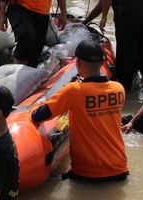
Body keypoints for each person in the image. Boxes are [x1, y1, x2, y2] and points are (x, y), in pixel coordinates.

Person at [31, 39, 129, 183]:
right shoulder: (118, 89)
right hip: (120, 170)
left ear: (77, 63)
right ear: (103, 63)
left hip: (88, 174)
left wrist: (39, 103)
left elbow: (38, 116)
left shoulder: (73, 91)